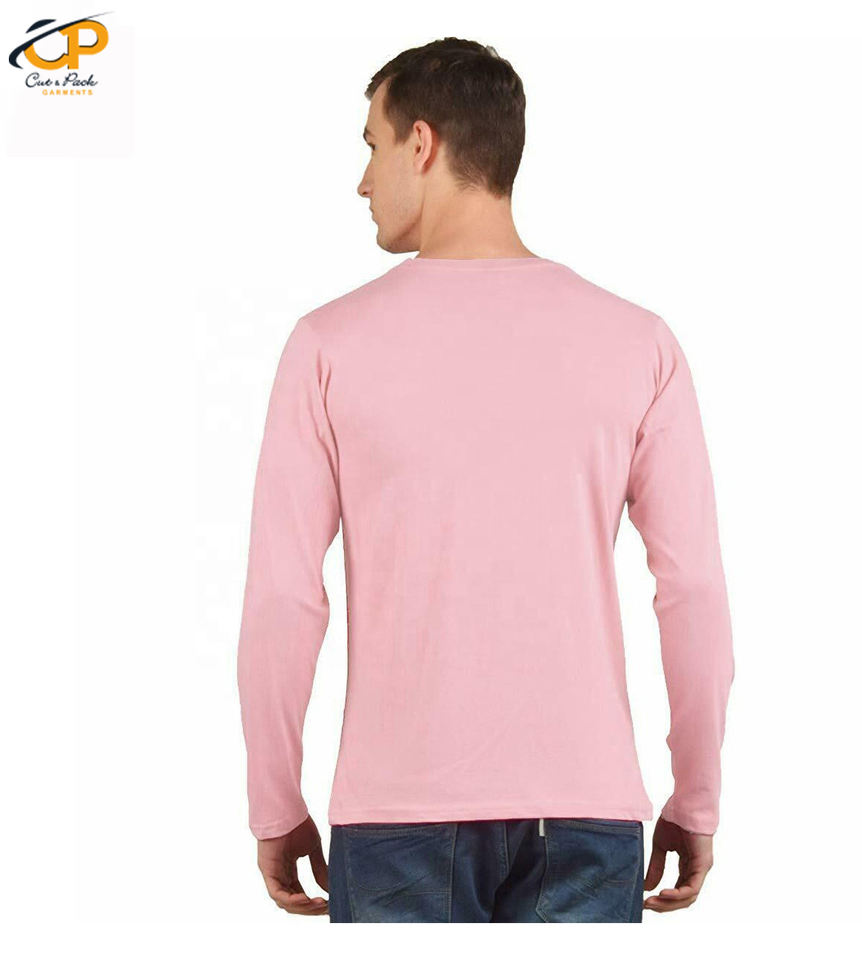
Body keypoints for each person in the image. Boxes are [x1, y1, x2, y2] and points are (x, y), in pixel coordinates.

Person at [237, 37, 734, 923]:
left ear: (421, 144)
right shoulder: (638, 342)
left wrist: (276, 803)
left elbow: (283, 597)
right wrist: (694, 798)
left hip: (394, 820)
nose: (362, 181)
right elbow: (692, 590)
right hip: (586, 813)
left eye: (372, 146)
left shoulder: (327, 346)